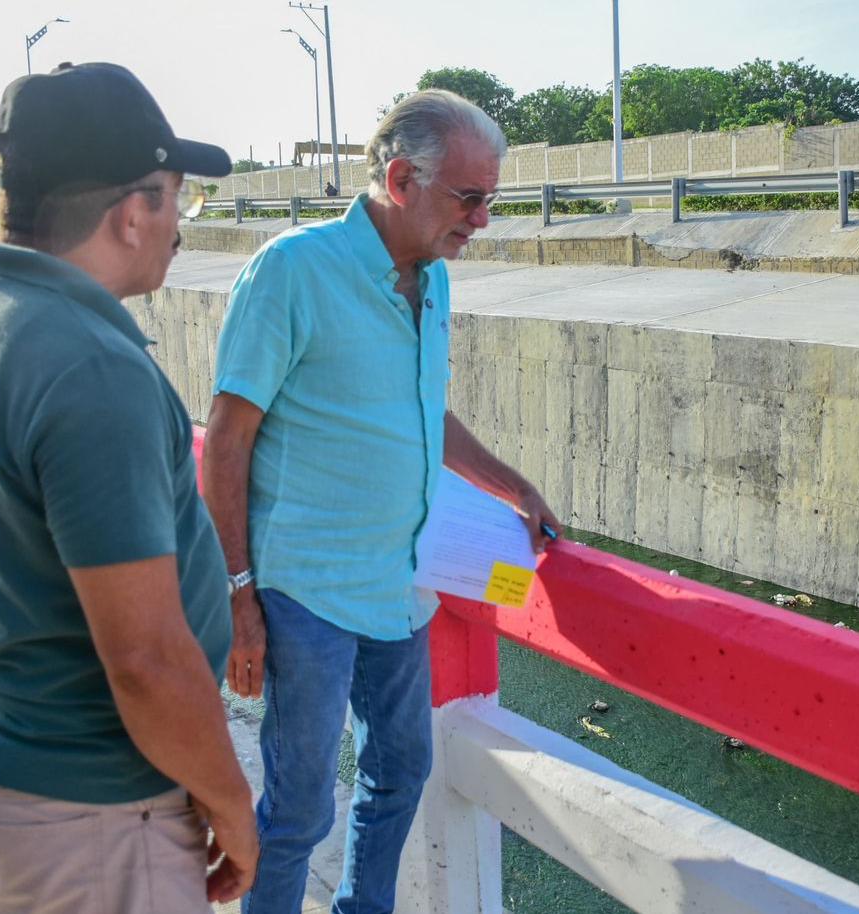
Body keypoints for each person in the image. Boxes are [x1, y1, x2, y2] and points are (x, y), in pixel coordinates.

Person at [203, 88, 560, 914]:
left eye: (490, 201)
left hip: (401, 589)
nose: (482, 219)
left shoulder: (432, 280)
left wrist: (511, 484)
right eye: (470, 199)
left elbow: (420, 406)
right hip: (306, 590)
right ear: (402, 179)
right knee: (297, 809)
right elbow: (226, 440)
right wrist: (238, 597)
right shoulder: (292, 270)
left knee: (401, 771)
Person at [0, 62, 256, 914]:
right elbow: (144, 657)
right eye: (181, 198)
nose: (180, 223)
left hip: (0, 757)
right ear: (133, 210)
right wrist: (231, 801)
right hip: (90, 807)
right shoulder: (89, 367)